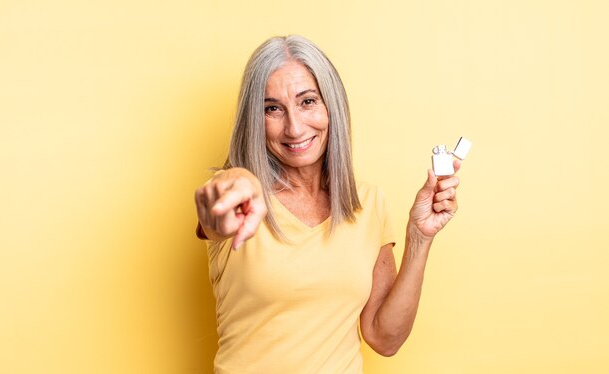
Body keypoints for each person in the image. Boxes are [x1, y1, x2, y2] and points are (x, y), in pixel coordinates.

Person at [195, 35, 462, 373]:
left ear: (330, 106)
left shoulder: (368, 203)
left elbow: (384, 338)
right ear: (254, 119)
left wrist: (420, 237)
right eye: (272, 108)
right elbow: (217, 208)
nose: (294, 127)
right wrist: (242, 183)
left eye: (307, 102)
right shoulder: (235, 197)